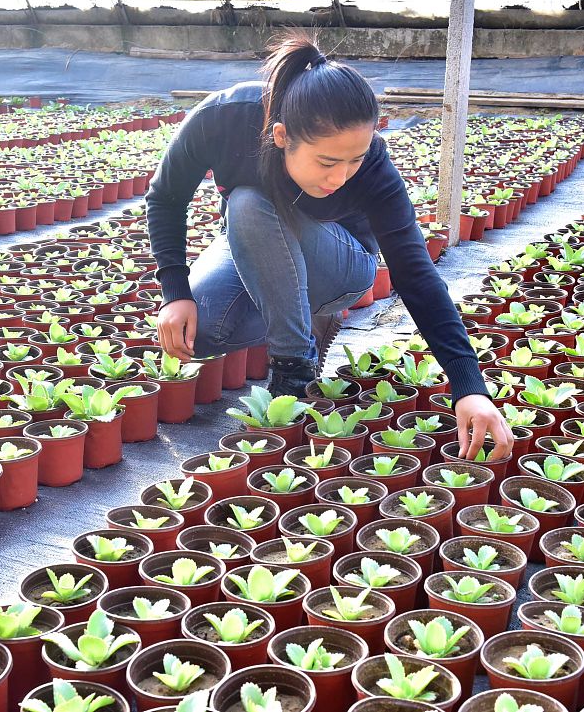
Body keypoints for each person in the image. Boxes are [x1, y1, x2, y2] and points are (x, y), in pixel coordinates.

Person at [145, 33, 513, 460]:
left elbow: (417, 275)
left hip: (340, 266)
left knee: (246, 202)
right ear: (281, 136)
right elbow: (165, 196)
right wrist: (175, 292)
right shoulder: (223, 118)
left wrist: (470, 387)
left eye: (354, 159)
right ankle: (298, 322)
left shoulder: (373, 167)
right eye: (327, 162)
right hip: (257, 243)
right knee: (202, 331)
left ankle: (293, 369)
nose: (341, 177)